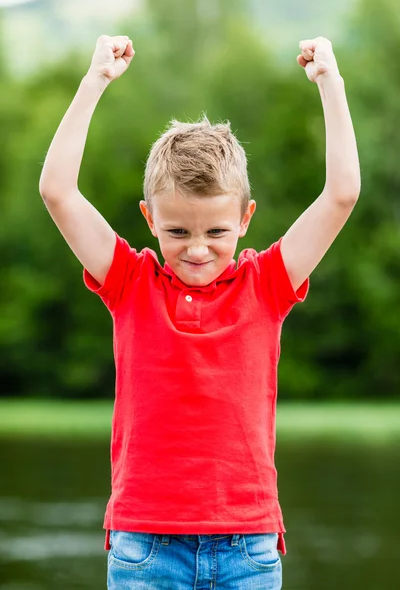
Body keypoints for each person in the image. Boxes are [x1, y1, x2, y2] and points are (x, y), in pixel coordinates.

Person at [39, 34, 360, 590]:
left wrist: (330, 82)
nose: (196, 248)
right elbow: (57, 191)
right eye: (177, 231)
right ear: (149, 218)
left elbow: (342, 194)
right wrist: (95, 82)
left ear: (245, 218)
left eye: (215, 231)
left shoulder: (267, 284)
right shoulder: (130, 282)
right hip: (145, 545)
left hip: (248, 547)